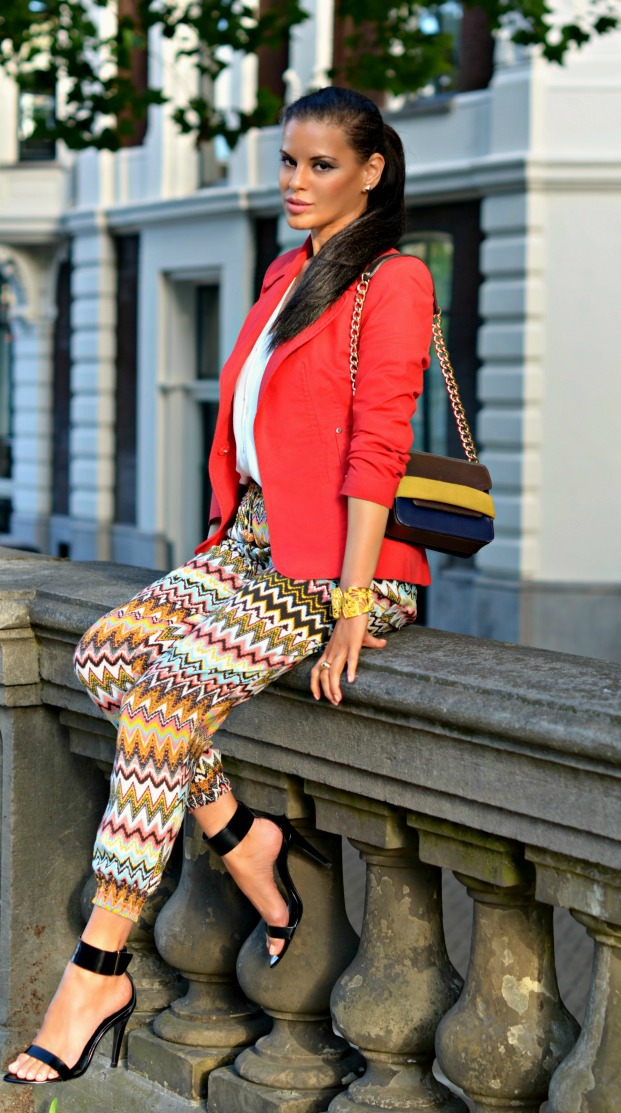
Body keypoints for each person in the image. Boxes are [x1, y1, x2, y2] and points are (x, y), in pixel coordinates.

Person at [4, 85, 434, 1086]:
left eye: (319, 165)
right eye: (287, 161)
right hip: (245, 546)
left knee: (157, 703)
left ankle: (97, 969)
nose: (293, 181)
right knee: (108, 654)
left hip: (330, 569)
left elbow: (378, 452)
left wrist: (351, 611)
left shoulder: (394, 279)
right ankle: (246, 844)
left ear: (370, 171)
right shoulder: (292, 268)